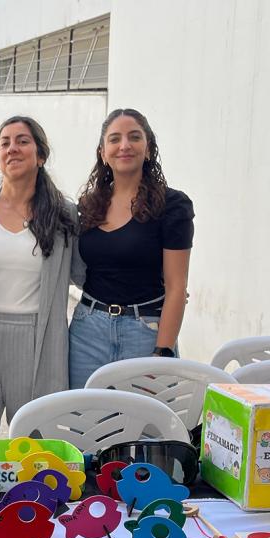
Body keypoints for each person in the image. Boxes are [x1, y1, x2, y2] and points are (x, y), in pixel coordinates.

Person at [0, 116, 77, 440]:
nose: (12, 148)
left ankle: (30, 495)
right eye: (5, 142)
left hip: (37, 337)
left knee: (35, 445)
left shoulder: (64, 213)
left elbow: (88, 272)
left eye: (22, 141)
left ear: (40, 155)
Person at [69, 109, 195, 389]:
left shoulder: (172, 206)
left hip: (145, 331)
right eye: (114, 139)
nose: (124, 145)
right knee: (85, 424)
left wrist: (162, 352)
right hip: (87, 331)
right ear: (103, 152)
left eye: (134, 137)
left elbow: (177, 287)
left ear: (148, 148)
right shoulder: (88, 206)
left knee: (145, 428)